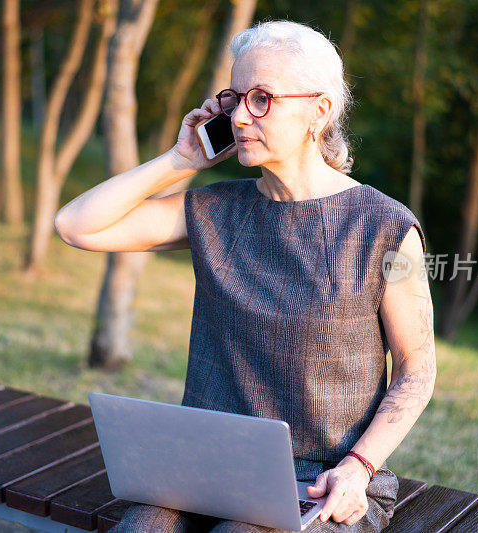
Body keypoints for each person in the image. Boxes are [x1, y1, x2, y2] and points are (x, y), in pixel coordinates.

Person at [54, 19, 436, 533]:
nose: (238, 117)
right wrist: (178, 160)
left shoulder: (388, 228)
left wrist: (358, 467)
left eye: (261, 98)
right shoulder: (215, 210)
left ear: (318, 111)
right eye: (234, 98)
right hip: (206, 467)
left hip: (326, 481)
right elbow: (76, 226)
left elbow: (417, 371)